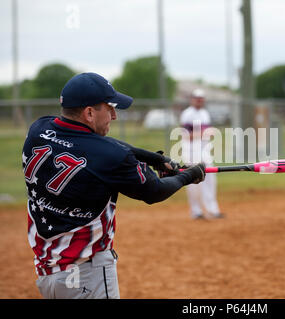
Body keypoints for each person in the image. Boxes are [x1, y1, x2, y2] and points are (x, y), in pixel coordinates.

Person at [22, 72, 206, 299]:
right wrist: (188, 176)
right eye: (109, 108)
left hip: (47, 272)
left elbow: (101, 145)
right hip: (86, 274)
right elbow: (154, 191)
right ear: (89, 113)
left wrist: (154, 158)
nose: (114, 115)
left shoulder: (39, 129)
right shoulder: (111, 158)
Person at [180, 89, 224, 220]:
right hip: (191, 151)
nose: (199, 100)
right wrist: (204, 134)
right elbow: (186, 135)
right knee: (193, 181)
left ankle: (212, 209)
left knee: (210, 179)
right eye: (197, 98)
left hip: (204, 151)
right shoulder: (187, 114)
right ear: (192, 99)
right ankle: (196, 211)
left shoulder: (205, 113)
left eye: (201, 98)